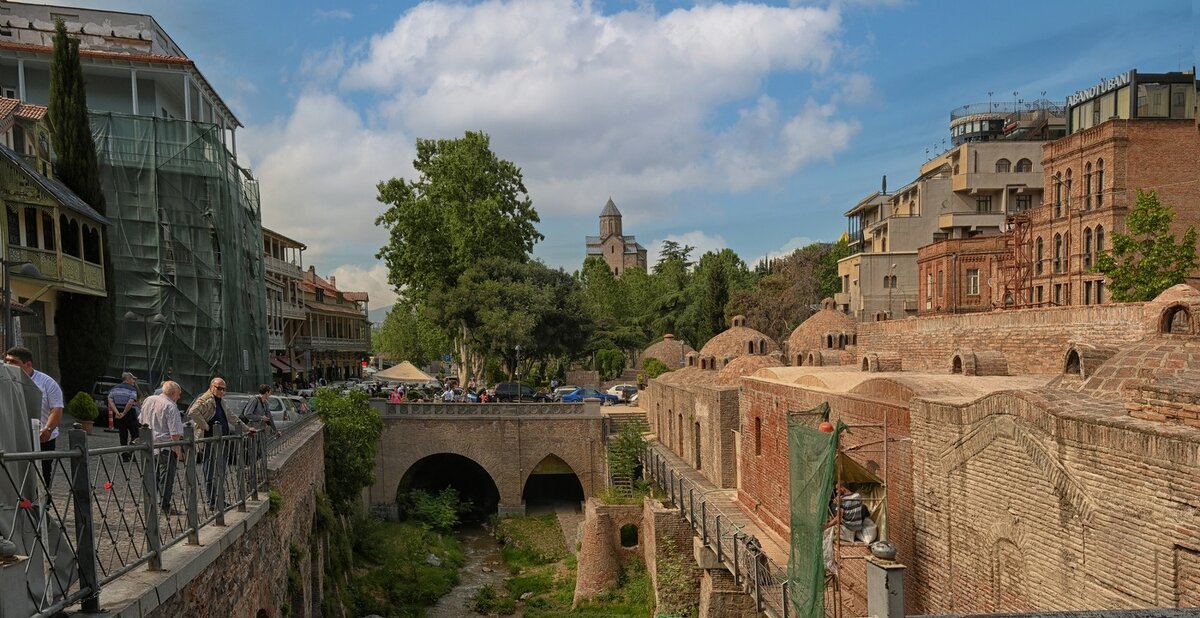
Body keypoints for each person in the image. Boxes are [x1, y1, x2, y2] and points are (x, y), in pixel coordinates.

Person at [187, 377, 255, 509]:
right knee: (211, 471)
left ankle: (219, 500)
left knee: (220, 471)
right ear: (212, 386)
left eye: (224, 389)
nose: (222, 391)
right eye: (219, 388)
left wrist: (247, 428)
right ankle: (213, 502)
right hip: (210, 441)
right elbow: (192, 412)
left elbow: (232, 417)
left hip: (221, 441)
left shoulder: (221, 401)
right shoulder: (205, 399)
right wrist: (206, 427)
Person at [5, 347, 63, 487]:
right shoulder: (5, 380)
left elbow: (56, 409)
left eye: (13, 362)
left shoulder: (47, 383)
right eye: (6, 360)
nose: (8, 364)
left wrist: (48, 429)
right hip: (15, 435)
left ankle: (44, 504)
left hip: (41, 437)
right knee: (14, 472)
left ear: (28, 364)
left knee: (42, 473)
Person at [140, 381, 185, 516]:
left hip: (150, 446)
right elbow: (174, 434)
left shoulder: (149, 400)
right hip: (166, 447)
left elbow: (141, 420)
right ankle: (165, 506)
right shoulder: (171, 406)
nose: (179, 397)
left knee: (153, 477)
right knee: (166, 479)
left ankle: (152, 504)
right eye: (179, 394)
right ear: (173, 393)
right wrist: (178, 451)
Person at [108, 371, 141, 460]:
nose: (134, 381)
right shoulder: (132, 389)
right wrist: (125, 412)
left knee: (123, 434)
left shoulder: (114, 388)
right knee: (136, 434)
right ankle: (130, 451)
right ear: (128, 379)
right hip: (129, 413)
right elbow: (130, 402)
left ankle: (124, 454)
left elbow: (110, 400)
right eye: (133, 379)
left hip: (118, 413)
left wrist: (117, 412)